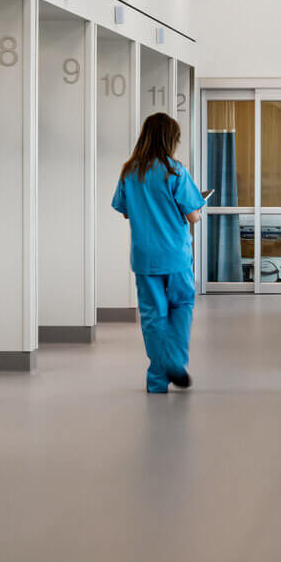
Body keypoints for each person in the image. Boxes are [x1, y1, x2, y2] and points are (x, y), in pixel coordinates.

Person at [112, 112, 206, 393]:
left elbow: (126, 211)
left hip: (144, 257)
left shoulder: (130, 172)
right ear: (170, 140)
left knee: (153, 316)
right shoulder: (176, 171)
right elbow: (193, 217)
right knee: (181, 308)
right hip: (175, 256)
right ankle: (175, 363)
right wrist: (198, 206)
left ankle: (157, 380)